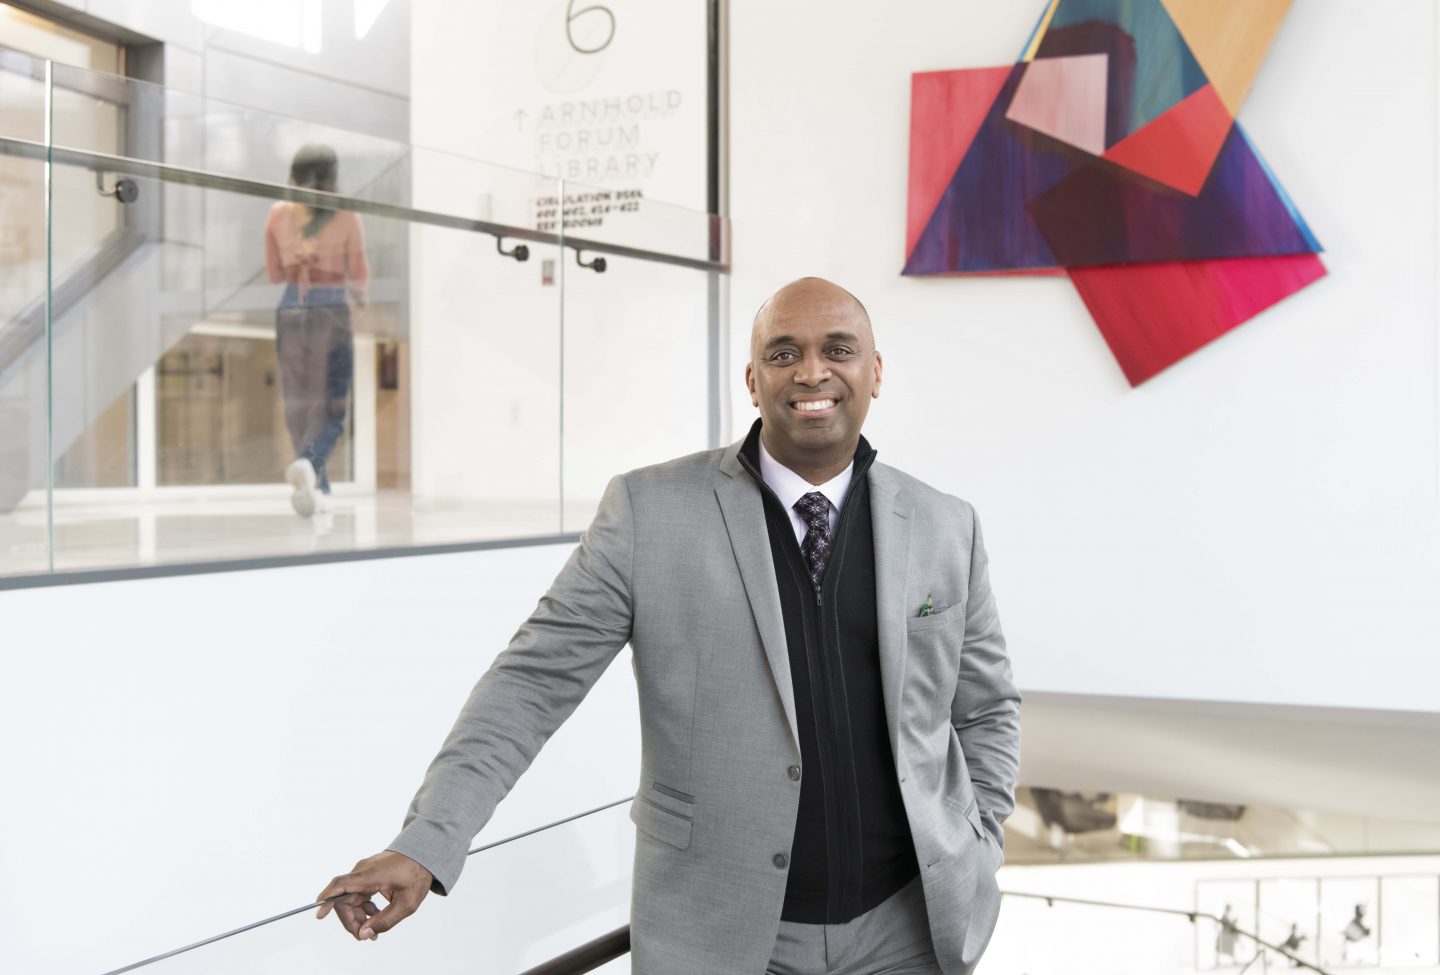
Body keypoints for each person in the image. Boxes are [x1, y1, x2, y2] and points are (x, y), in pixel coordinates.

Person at [316, 278, 1021, 975]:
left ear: (874, 372)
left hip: (907, 934)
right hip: (722, 939)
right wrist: (427, 841)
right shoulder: (647, 512)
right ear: (752, 379)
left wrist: (978, 834)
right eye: (783, 353)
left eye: (838, 349)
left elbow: (986, 707)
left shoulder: (945, 525)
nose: (812, 371)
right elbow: (528, 686)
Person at [264, 144, 369, 518]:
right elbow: (358, 274)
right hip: (331, 308)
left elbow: (275, 273)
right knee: (333, 403)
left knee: (299, 403)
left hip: (291, 308)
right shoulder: (346, 215)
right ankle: (310, 465)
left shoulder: (277, 214)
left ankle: (317, 488)